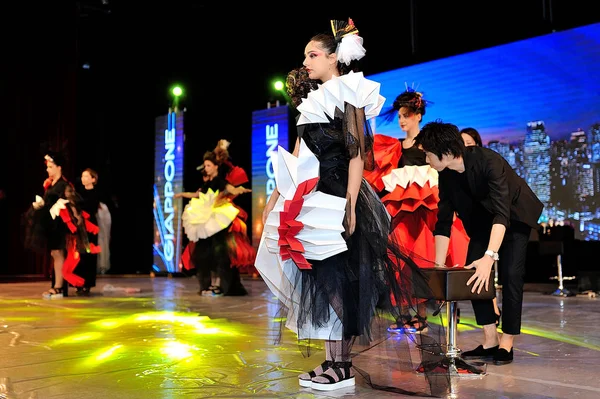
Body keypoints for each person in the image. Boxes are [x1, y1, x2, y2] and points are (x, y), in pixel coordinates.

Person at [255, 19, 435, 393]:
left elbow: (356, 155)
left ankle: (344, 364)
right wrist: (275, 199)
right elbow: (299, 156)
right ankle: (332, 360)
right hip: (310, 195)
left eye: (313, 54)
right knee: (319, 281)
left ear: (334, 57)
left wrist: (351, 203)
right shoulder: (310, 102)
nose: (306, 61)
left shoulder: (348, 92)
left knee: (341, 281)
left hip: (338, 193)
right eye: (305, 55)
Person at [414, 121, 543, 365]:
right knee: (473, 272)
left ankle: (507, 343)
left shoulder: (489, 162)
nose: (426, 160)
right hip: (483, 221)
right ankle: (490, 340)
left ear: (446, 152)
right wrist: (439, 266)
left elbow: (502, 213)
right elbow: (443, 221)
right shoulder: (447, 175)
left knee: (511, 274)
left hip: (513, 217)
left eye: (428, 154)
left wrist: (490, 256)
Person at [363, 88, 469, 333]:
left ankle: (420, 316)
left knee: (421, 260)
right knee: (398, 261)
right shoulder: (392, 147)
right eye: (399, 115)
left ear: (419, 115)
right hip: (399, 212)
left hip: (424, 213)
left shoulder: (428, 144)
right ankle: (402, 314)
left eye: (407, 114)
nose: (402, 120)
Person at [176, 140, 252, 296]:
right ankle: (206, 285)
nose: (206, 168)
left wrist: (240, 190)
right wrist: (181, 194)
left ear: (216, 166)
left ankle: (223, 286)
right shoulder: (206, 183)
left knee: (220, 253)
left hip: (216, 219)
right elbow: (196, 195)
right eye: (205, 166)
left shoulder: (219, 181)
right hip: (205, 218)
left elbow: (230, 188)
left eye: (209, 165)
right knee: (202, 254)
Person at [23, 150, 89, 298]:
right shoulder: (50, 185)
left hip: (60, 225)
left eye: (51, 166)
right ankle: (56, 285)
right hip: (51, 224)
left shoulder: (64, 185)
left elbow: (73, 204)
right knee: (54, 253)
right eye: (47, 167)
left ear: (59, 167)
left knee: (59, 253)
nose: (48, 169)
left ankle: (59, 287)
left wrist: (76, 220)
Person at [460, 127, 501, 326]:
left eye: (469, 144)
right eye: (462, 145)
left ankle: (495, 310)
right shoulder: (456, 174)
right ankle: (489, 331)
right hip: (473, 228)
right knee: (474, 271)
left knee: (489, 269)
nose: (466, 149)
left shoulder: (486, 167)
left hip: (495, 226)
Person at [73, 168, 101, 296]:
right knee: (79, 254)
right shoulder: (78, 192)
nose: (83, 178)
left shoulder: (96, 193)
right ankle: (78, 282)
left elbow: (92, 208)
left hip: (90, 225)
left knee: (89, 253)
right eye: (82, 176)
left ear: (93, 179)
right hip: (79, 224)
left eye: (86, 176)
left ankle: (88, 283)